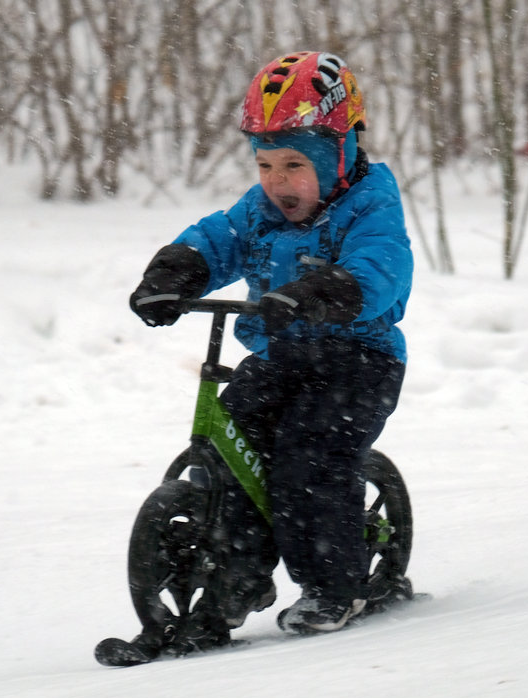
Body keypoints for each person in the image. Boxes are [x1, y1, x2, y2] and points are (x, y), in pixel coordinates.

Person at [129, 51, 413, 634]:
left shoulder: (370, 207)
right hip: (284, 356)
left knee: (309, 457)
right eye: (264, 165)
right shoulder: (259, 211)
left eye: (293, 165)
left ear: (341, 155)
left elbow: (379, 270)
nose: (276, 182)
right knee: (231, 447)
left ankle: (335, 586)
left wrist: (320, 291)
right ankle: (235, 577)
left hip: (358, 360)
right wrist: (177, 272)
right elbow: (219, 239)